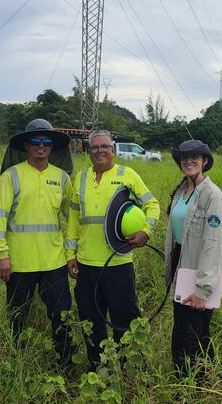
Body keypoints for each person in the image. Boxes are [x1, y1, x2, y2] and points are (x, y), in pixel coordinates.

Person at [67, 130, 160, 369]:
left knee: (125, 321)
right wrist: (70, 255)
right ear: (88, 151)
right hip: (87, 266)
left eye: (104, 146)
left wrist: (146, 231)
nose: (99, 150)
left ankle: (131, 369)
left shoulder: (127, 175)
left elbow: (152, 204)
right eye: (94, 147)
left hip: (118, 264)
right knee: (91, 320)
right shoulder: (80, 178)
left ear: (113, 149)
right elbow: (73, 220)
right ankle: (97, 369)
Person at [0, 119, 75, 366]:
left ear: (52, 147)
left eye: (46, 142)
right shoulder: (11, 176)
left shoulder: (61, 178)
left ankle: (66, 362)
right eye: (36, 142)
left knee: (62, 315)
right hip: (19, 262)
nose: (41, 146)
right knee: (17, 315)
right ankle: (15, 362)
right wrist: (1, 255)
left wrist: (71, 253)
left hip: (54, 261)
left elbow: (71, 219)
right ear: (26, 146)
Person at [164, 139, 222, 377]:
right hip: (181, 264)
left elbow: (212, 243)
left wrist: (203, 288)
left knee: (192, 333)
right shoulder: (182, 190)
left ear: (205, 162)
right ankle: (195, 380)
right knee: (183, 328)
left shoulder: (212, 195)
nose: (188, 161)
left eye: (194, 158)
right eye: (184, 158)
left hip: (199, 269)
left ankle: (194, 386)